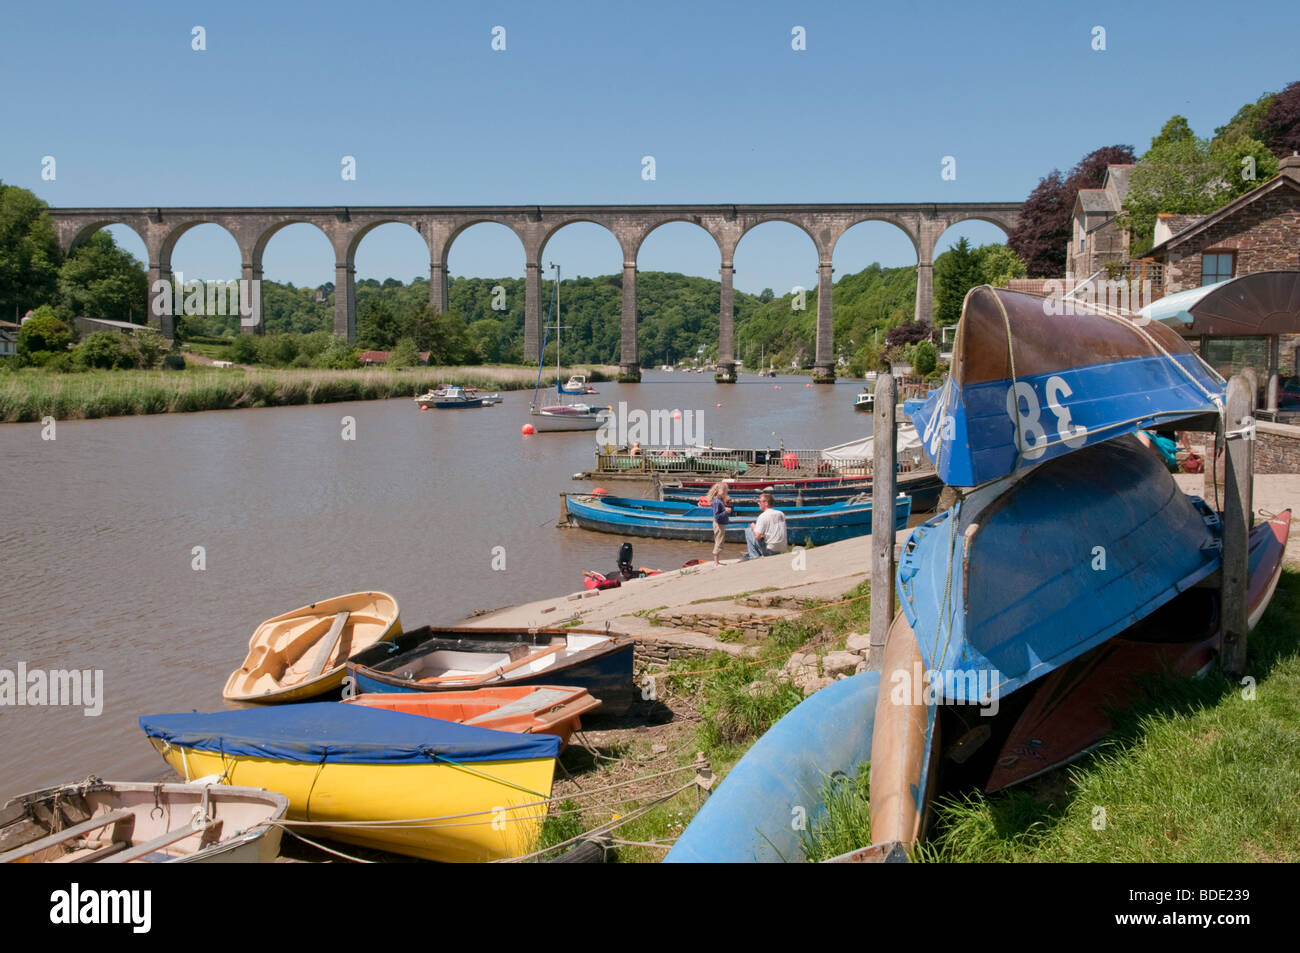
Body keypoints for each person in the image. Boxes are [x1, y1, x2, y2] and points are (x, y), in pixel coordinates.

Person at [745, 491, 788, 559]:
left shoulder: (763, 516)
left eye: (760, 501)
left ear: (766, 503)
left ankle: (753, 557)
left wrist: (754, 527)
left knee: (748, 531)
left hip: (770, 551)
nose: (758, 503)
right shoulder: (781, 513)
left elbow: (757, 537)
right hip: (783, 548)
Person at [705, 482, 733, 565]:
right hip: (719, 523)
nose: (725, 492)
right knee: (719, 541)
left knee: (720, 540)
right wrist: (726, 511)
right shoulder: (717, 501)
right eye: (723, 490)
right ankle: (716, 562)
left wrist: (727, 503)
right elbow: (717, 516)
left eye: (726, 491)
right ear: (717, 490)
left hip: (721, 523)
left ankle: (717, 561)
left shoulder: (720, 500)